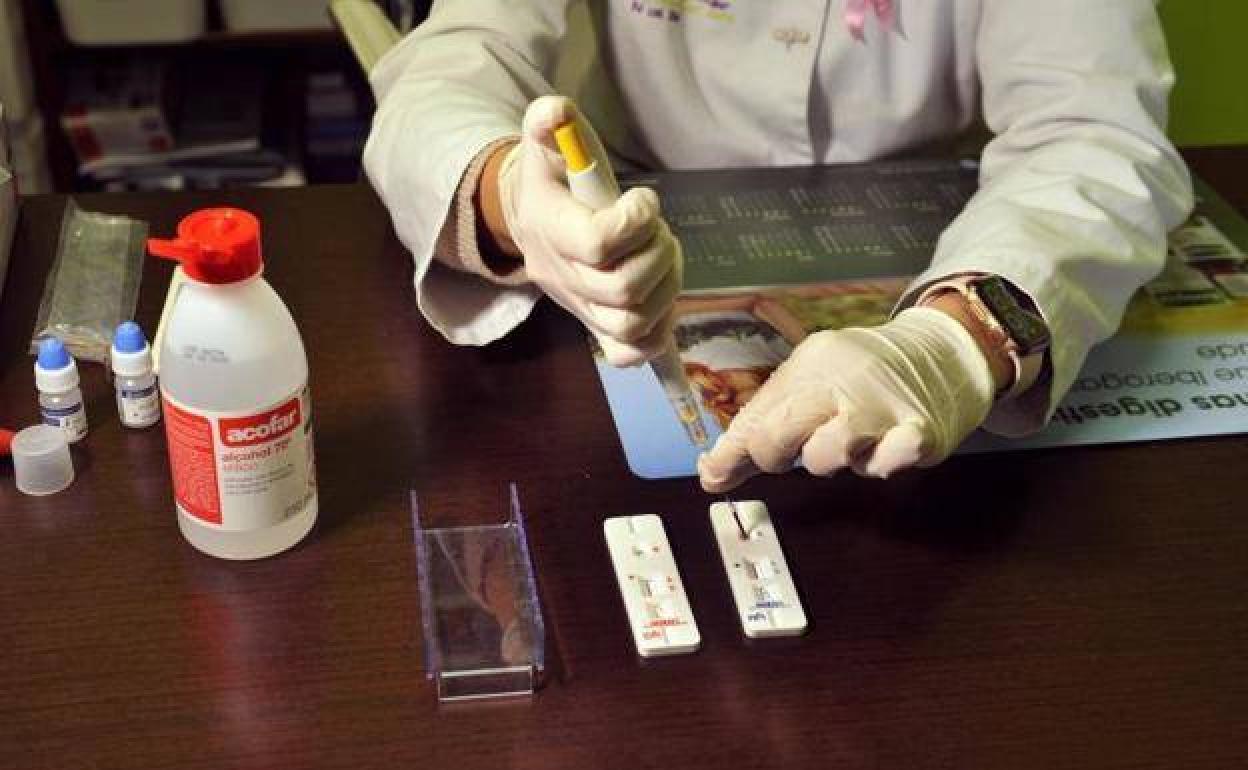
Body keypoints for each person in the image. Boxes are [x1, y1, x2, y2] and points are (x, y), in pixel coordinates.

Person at [362, 0, 1193, 492]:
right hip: (634, 226)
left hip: (945, 241)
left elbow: (1092, 131)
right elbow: (455, 58)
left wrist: (961, 337)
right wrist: (511, 196)